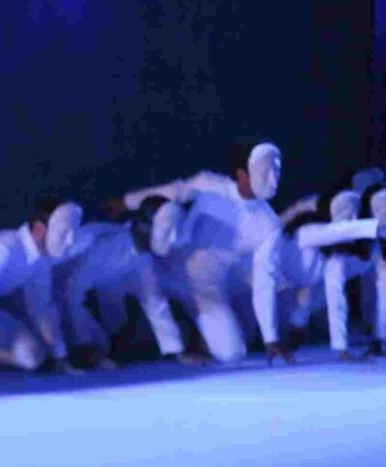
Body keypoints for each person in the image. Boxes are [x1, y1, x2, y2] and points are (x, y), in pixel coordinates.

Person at [111, 141, 296, 362]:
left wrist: (271, 338)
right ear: (242, 174)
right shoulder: (210, 185)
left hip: (206, 288)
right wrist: (126, 202)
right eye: (266, 172)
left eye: (277, 172)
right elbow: (173, 191)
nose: (273, 180)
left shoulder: (269, 224)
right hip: (164, 264)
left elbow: (265, 281)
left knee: (232, 353)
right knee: (131, 284)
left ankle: (193, 330)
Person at [254, 186, 386, 362]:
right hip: (270, 295)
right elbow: (340, 230)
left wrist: (376, 339)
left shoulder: (348, 250)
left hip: (295, 296)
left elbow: (385, 287)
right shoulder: (307, 234)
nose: (351, 219)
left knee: (296, 320)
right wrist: (271, 338)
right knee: (250, 338)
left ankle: (286, 333)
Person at [53, 196, 200, 367]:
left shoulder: (142, 259)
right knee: (98, 343)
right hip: (55, 300)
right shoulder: (105, 245)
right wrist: (85, 346)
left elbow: (155, 303)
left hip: (93, 295)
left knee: (114, 336)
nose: (170, 239)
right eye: (165, 231)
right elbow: (69, 292)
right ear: (143, 227)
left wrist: (177, 351)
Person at [0, 198, 85, 375]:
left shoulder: (40, 262)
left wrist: (60, 356)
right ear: (39, 228)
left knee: (31, 356)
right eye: (63, 231)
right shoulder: (4, 248)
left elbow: (41, 308)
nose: (69, 241)